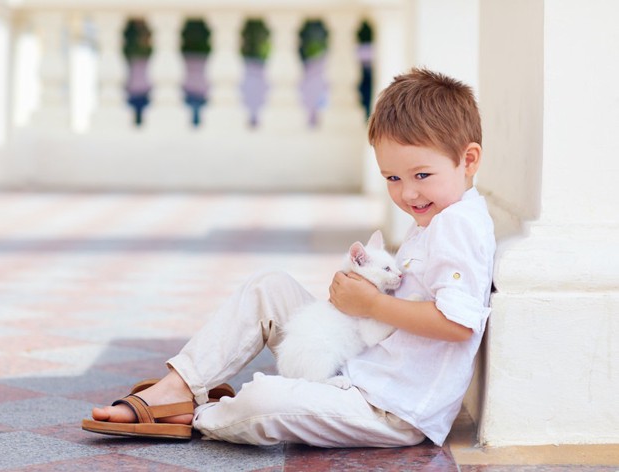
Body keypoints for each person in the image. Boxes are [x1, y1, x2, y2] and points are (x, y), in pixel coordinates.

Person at [82, 68, 496, 448]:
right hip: (358, 367)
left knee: (262, 400)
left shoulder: (456, 225)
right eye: (393, 178)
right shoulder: (434, 218)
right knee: (271, 287)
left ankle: (199, 414)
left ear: (468, 159)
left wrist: (370, 304)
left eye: (421, 175)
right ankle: (180, 385)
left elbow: (457, 325)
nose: (408, 193)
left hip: (389, 408)